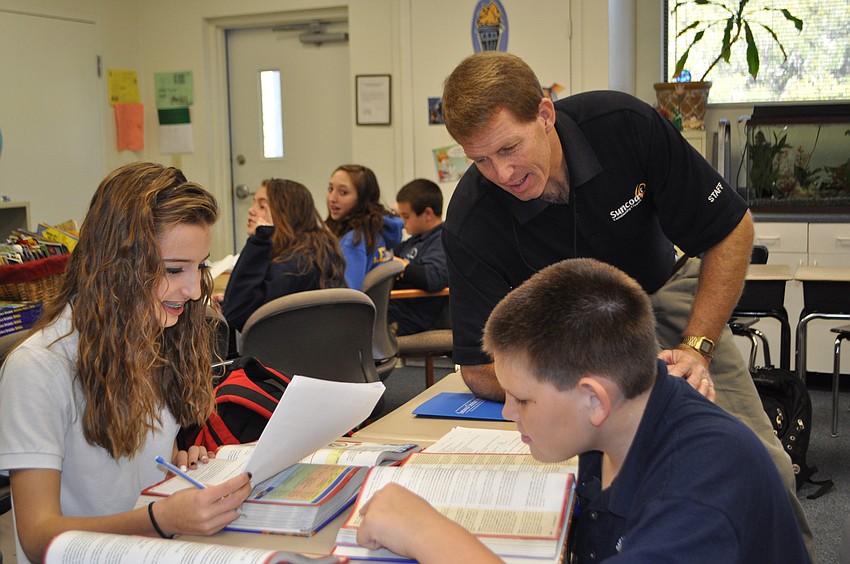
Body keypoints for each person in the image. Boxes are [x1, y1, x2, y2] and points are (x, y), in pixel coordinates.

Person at [438, 52, 814, 554]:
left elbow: (730, 229)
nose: (502, 172)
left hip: (670, 306)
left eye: (509, 147)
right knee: (571, 498)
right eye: (480, 160)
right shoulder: (470, 219)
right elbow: (477, 365)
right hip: (563, 352)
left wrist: (698, 348)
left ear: (545, 115)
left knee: (762, 467)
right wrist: (562, 378)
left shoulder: (623, 126)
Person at [355, 258, 810, 563]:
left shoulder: (694, 498)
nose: (509, 412)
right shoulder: (631, 411)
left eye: (524, 399)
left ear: (594, 399)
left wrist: (426, 533)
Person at [0, 162, 252, 563]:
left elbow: (132, 469)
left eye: (199, 266)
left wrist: (176, 467)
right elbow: (37, 536)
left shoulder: (158, 336)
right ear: (117, 265)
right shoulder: (38, 368)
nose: (192, 289)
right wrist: (161, 518)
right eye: (173, 269)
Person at [222, 178, 346, 333]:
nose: (251, 210)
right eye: (254, 203)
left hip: (279, 351)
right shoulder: (314, 249)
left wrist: (259, 239)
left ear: (285, 213)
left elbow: (234, 315)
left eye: (262, 206)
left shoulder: (293, 265)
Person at [326, 164, 403, 290]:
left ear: (362, 199)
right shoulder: (375, 233)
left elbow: (348, 296)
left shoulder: (353, 241)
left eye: (343, 192)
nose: (332, 198)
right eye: (330, 189)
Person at [388, 178, 449, 336]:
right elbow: (387, 254)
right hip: (396, 309)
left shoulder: (442, 239)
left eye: (406, 216)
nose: (402, 222)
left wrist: (398, 265)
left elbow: (433, 277)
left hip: (413, 318)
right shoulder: (414, 240)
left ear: (427, 213)